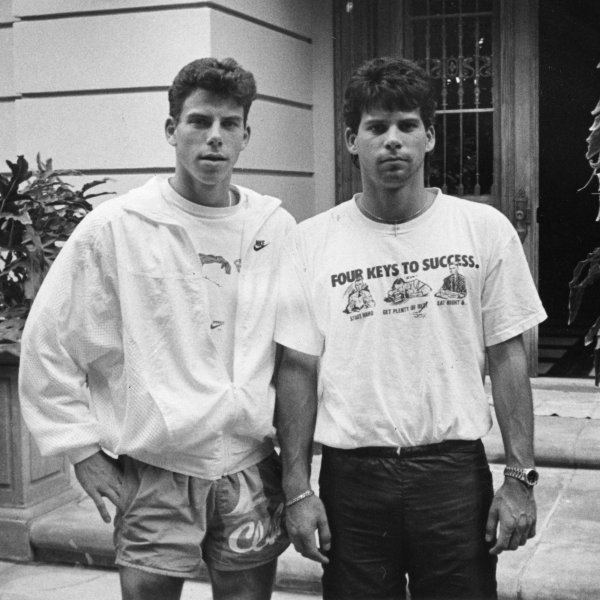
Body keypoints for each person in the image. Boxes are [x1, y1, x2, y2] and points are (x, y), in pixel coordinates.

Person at [19, 57, 294, 600]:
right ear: (172, 130)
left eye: (229, 124)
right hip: (157, 468)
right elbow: (49, 341)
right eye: (198, 122)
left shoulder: (274, 227)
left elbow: (299, 351)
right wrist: (81, 450)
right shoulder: (119, 227)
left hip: (249, 465)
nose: (214, 138)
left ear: (245, 136)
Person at [274, 56, 546, 600]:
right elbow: (297, 370)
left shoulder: (482, 230)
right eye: (376, 128)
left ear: (430, 136)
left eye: (406, 126)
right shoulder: (310, 242)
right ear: (352, 140)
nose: (392, 140)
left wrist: (519, 477)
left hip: (451, 475)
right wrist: (297, 489)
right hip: (353, 480)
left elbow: (508, 354)